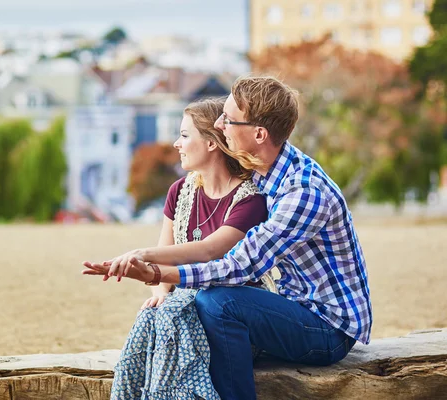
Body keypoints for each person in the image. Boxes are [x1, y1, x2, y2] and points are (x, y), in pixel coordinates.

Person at [83, 76, 372, 400]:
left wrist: (156, 272)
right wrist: (159, 282)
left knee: (220, 302)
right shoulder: (266, 171)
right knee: (202, 305)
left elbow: (240, 264)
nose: (219, 125)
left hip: (328, 329)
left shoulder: (302, 193)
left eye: (228, 119)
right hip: (297, 307)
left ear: (259, 134)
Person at [84, 97, 273, 399]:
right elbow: (164, 262)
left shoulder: (250, 200)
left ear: (212, 143)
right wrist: (158, 293)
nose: (176, 143)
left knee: (174, 315)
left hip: (232, 317)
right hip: (186, 307)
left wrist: (140, 256)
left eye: (185, 135)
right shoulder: (180, 191)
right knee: (154, 315)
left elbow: (209, 250)